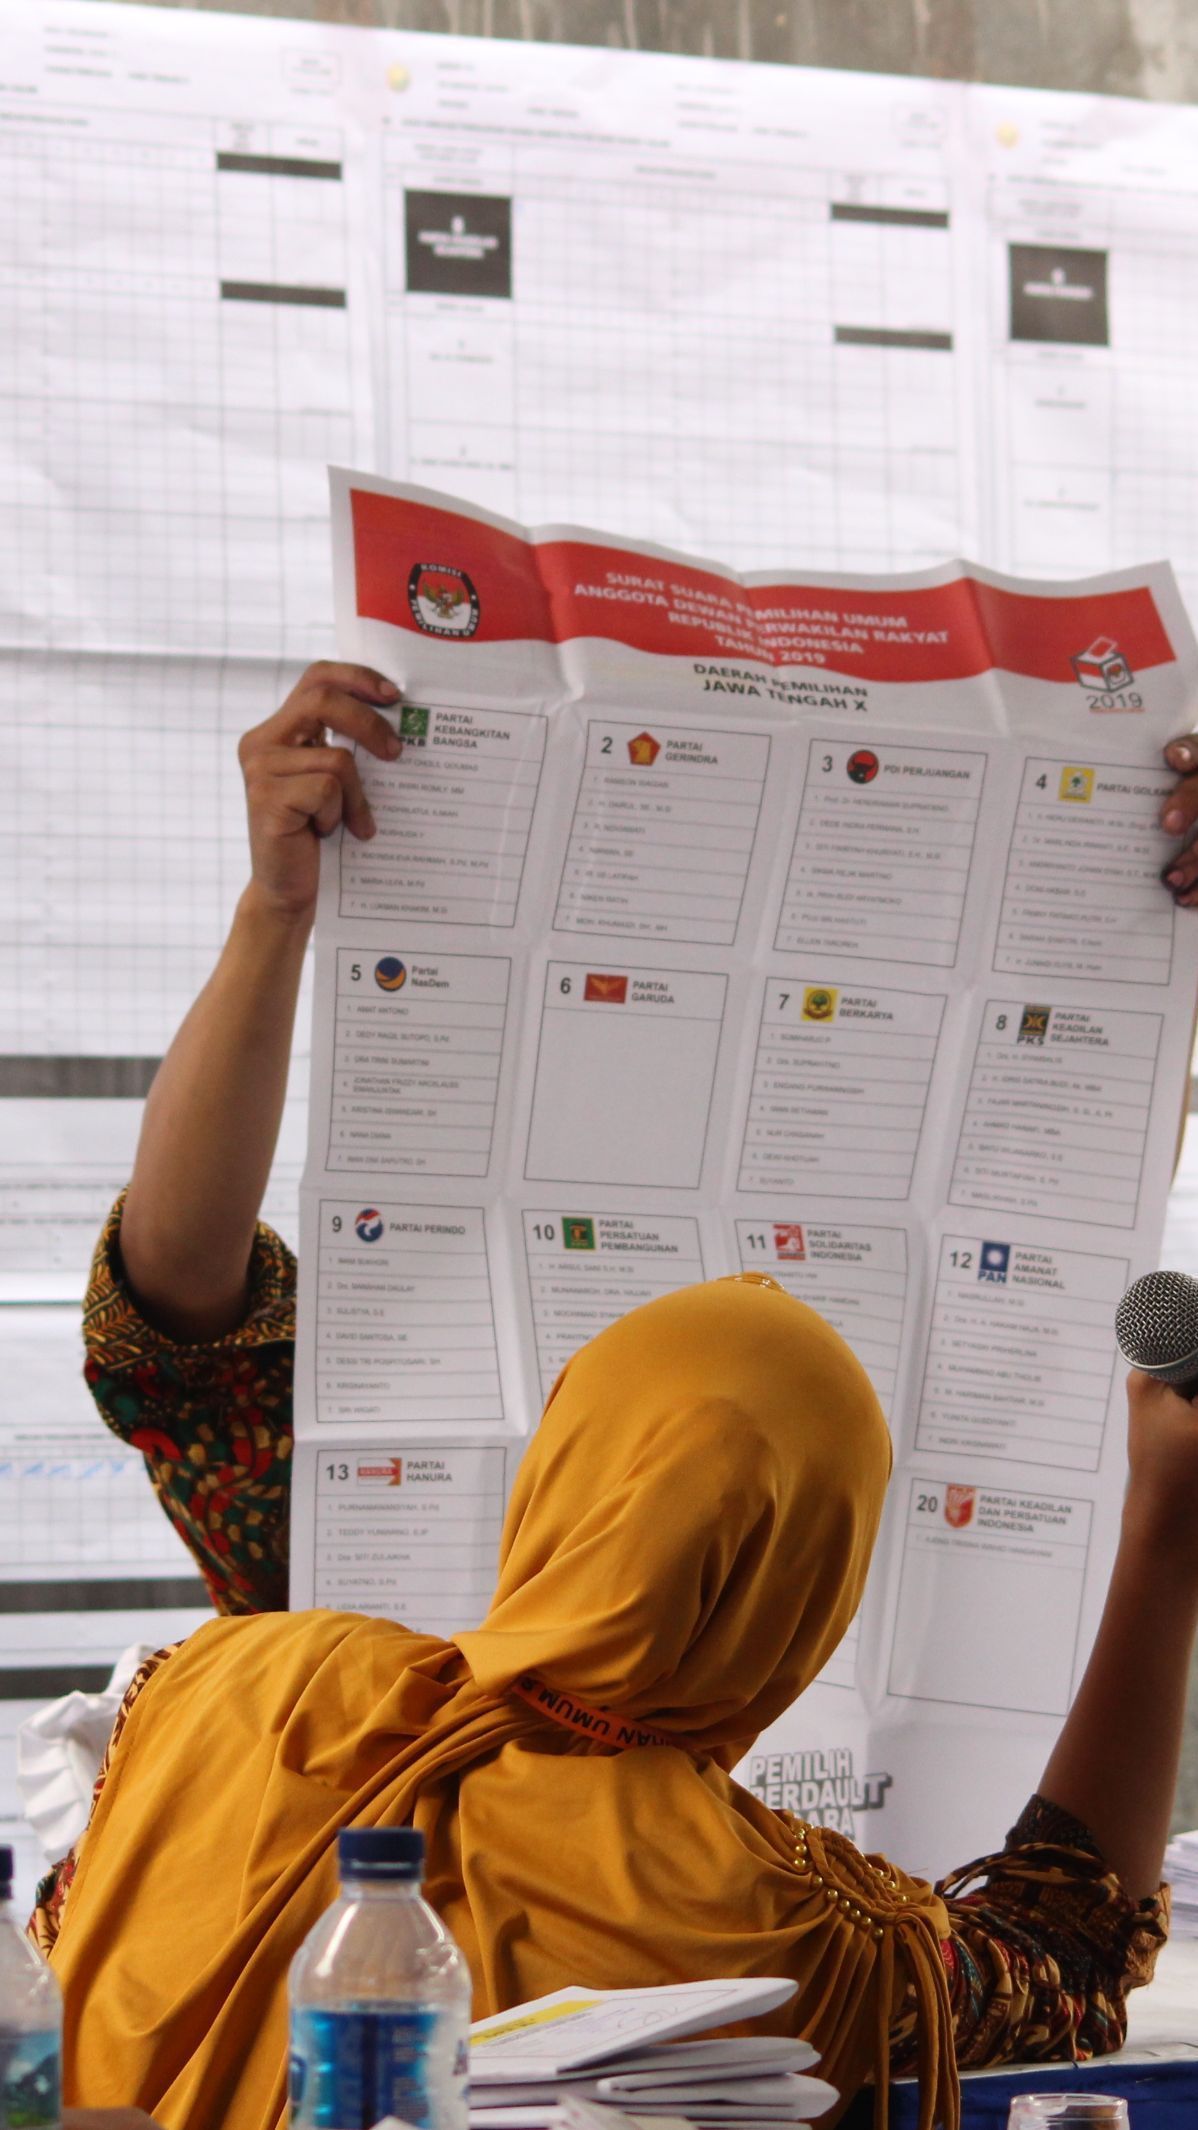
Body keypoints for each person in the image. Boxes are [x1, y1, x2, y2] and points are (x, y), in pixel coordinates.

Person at [32, 668, 1198, 2130]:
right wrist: (1167, 1522)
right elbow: (1060, 1958)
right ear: (807, 1592)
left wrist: (274, 912)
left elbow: (173, 1344)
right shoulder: (775, 1936)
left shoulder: (239, 1693)